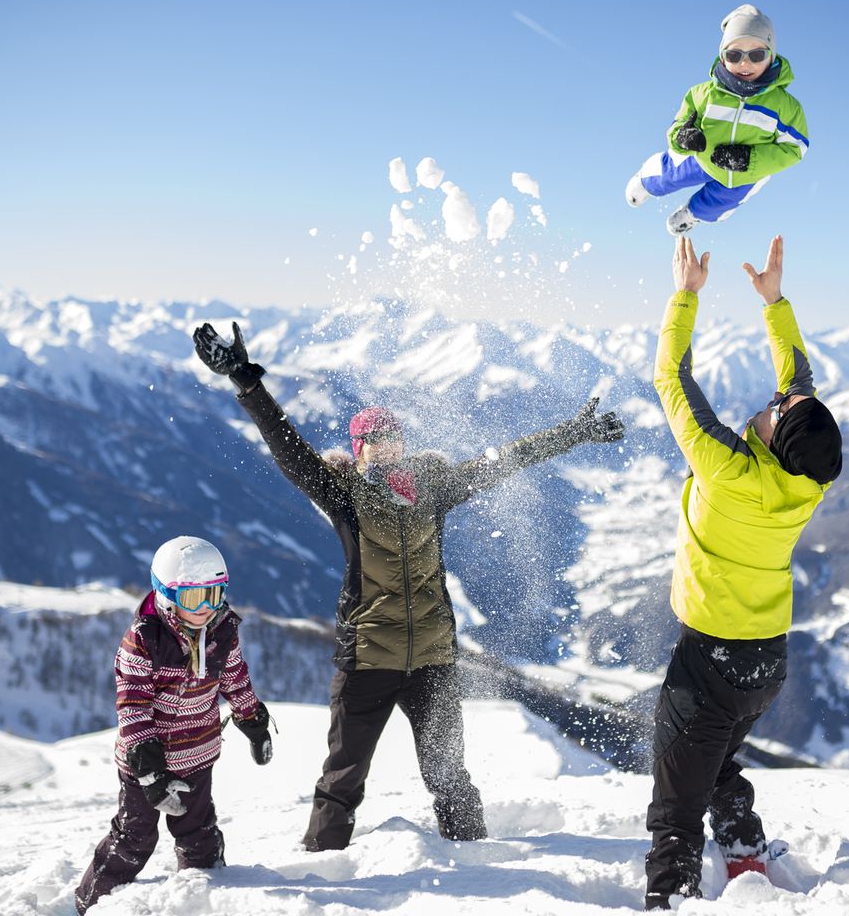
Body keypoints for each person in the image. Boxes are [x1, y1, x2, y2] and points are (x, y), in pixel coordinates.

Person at [192, 320, 625, 850]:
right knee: (342, 778)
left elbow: (501, 461)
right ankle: (324, 869)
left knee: (449, 777)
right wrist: (246, 382)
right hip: (369, 658)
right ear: (359, 449)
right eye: (373, 439)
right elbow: (289, 450)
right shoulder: (342, 491)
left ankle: (477, 864)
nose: (386, 445)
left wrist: (570, 434)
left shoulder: (431, 486)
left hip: (432, 660)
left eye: (392, 434)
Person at [644, 235, 842, 910]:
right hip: (765, 666)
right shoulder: (806, 482)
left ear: (774, 438)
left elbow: (671, 379)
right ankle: (746, 860)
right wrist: (774, 303)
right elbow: (802, 386)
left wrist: (686, 295)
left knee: (674, 801)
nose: (775, 398)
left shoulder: (726, 465)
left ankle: (667, 898)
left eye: (776, 410)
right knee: (715, 760)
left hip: (711, 662)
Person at [75, 536, 273, 915]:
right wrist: (149, 769)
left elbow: (235, 677)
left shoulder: (222, 630)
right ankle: (92, 904)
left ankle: (203, 898)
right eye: (194, 598)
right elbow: (132, 704)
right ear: (167, 594)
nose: (206, 609)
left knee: (198, 833)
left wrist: (252, 718)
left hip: (198, 753)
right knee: (134, 836)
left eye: (214, 595)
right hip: (147, 762)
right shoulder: (144, 639)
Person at [625, 5, 809, 236]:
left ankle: (692, 215)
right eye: (734, 55)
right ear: (722, 57)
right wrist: (683, 138)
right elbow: (678, 125)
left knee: (719, 204)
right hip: (704, 157)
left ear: (771, 56)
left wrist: (749, 160)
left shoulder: (786, 107)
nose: (745, 63)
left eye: (756, 55)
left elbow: (796, 148)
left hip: (748, 173)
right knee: (671, 174)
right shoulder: (702, 95)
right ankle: (645, 181)